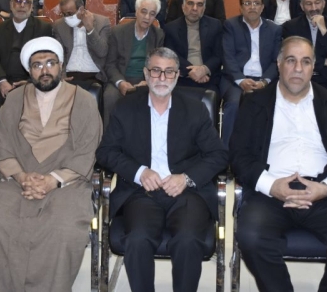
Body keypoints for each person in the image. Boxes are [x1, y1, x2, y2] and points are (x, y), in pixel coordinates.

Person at [230, 36, 327, 292]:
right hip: (271, 193)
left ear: (313, 66)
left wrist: (325, 188)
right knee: (251, 237)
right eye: (291, 60)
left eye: (305, 62)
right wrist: (271, 186)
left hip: (323, 192)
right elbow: (239, 155)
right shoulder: (254, 103)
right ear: (279, 63)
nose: (298, 68)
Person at [0, 37, 102, 292]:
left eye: (51, 63)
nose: (45, 70)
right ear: (29, 70)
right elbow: (2, 143)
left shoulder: (84, 99)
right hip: (15, 179)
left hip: (67, 182)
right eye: (37, 65)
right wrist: (22, 177)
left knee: (62, 229)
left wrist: (53, 180)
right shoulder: (14, 99)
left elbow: (88, 148)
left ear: (61, 66)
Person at [96, 47, 228, 292]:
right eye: (156, 71)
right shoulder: (126, 107)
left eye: (169, 72)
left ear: (177, 75)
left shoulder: (195, 109)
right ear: (146, 74)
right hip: (141, 192)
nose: (162, 78)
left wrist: (186, 178)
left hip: (187, 193)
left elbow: (219, 155)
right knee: (137, 240)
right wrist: (139, 172)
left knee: (188, 240)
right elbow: (106, 152)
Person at [221, 0, 282, 147]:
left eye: (256, 3)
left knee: (273, 105)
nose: (252, 7)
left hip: (264, 80)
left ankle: (265, 152)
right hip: (235, 80)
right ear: (241, 8)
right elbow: (228, 57)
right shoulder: (231, 25)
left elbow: (276, 61)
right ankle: (226, 153)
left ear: (262, 7)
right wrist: (241, 80)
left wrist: (264, 82)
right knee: (234, 104)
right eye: (247, 3)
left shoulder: (274, 29)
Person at [104, 0, 165, 124]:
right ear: (136, 11)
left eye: (152, 14)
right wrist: (120, 82)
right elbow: (110, 64)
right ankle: (110, 134)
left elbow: (158, 66)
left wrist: (147, 81)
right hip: (121, 76)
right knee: (110, 96)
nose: (147, 17)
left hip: (144, 80)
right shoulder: (118, 32)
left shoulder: (158, 35)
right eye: (144, 12)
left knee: (149, 98)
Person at [0, 0, 52, 106]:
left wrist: (30, 82)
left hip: (31, 81)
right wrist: (2, 81)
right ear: (11, 5)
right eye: (18, 1)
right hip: (3, 80)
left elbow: (46, 59)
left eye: (26, 2)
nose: (22, 5)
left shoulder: (43, 28)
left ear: (32, 7)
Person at [163, 0, 223, 91]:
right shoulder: (171, 28)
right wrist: (191, 72)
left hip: (208, 78)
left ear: (204, 9)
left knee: (209, 98)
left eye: (199, 4)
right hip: (181, 77)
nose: (195, 8)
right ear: (183, 7)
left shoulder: (215, 25)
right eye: (190, 3)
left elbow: (219, 54)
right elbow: (171, 55)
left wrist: (204, 69)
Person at [52, 0, 111, 85]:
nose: (67, 17)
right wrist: (61, 75)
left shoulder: (102, 22)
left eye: (70, 13)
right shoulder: (59, 25)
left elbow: (102, 52)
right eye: (63, 14)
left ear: (81, 9)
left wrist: (90, 29)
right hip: (69, 74)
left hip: (94, 74)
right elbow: (58, 55)